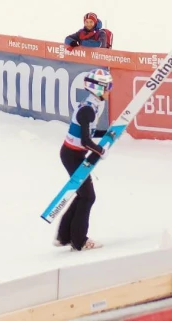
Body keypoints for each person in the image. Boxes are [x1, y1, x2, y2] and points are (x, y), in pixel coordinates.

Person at [56, 68, 112, 252]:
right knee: (88, 197)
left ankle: (64, 236)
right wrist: (101, 150)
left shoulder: (92, 105)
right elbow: (86, 141)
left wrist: (108, 133)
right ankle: (79, 240)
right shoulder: (88, 109)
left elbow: (88, 133)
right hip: (72, 155)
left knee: (84, 195)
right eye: (108, 87)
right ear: (98, 88)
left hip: (74, 154)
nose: (109, 90)